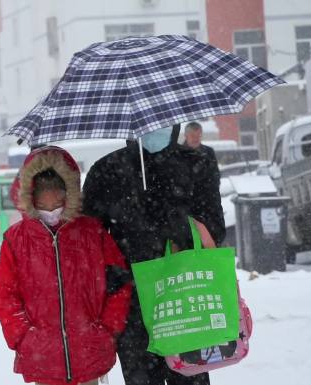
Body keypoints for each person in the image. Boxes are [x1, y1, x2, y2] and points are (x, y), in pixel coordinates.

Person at [82, 127, 225, 385]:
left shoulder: (195, 164)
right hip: (132, 305)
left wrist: (182, 227)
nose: (155, 129)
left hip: (187, 298)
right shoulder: (106, 171)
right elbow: (91, 241)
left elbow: (215, 227)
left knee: (190, 378)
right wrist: (116, 275)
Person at [0, 146, 132, 385]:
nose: (51, 206)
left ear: (68, 192)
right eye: (42, 198)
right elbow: (6, 295)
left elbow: (119, 284)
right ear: (31, 195)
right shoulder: (16, 240)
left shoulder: (92, 233)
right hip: (43, 359)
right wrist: (25, 337)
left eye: (56, 195)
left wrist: (106, 331)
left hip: (89, 353)